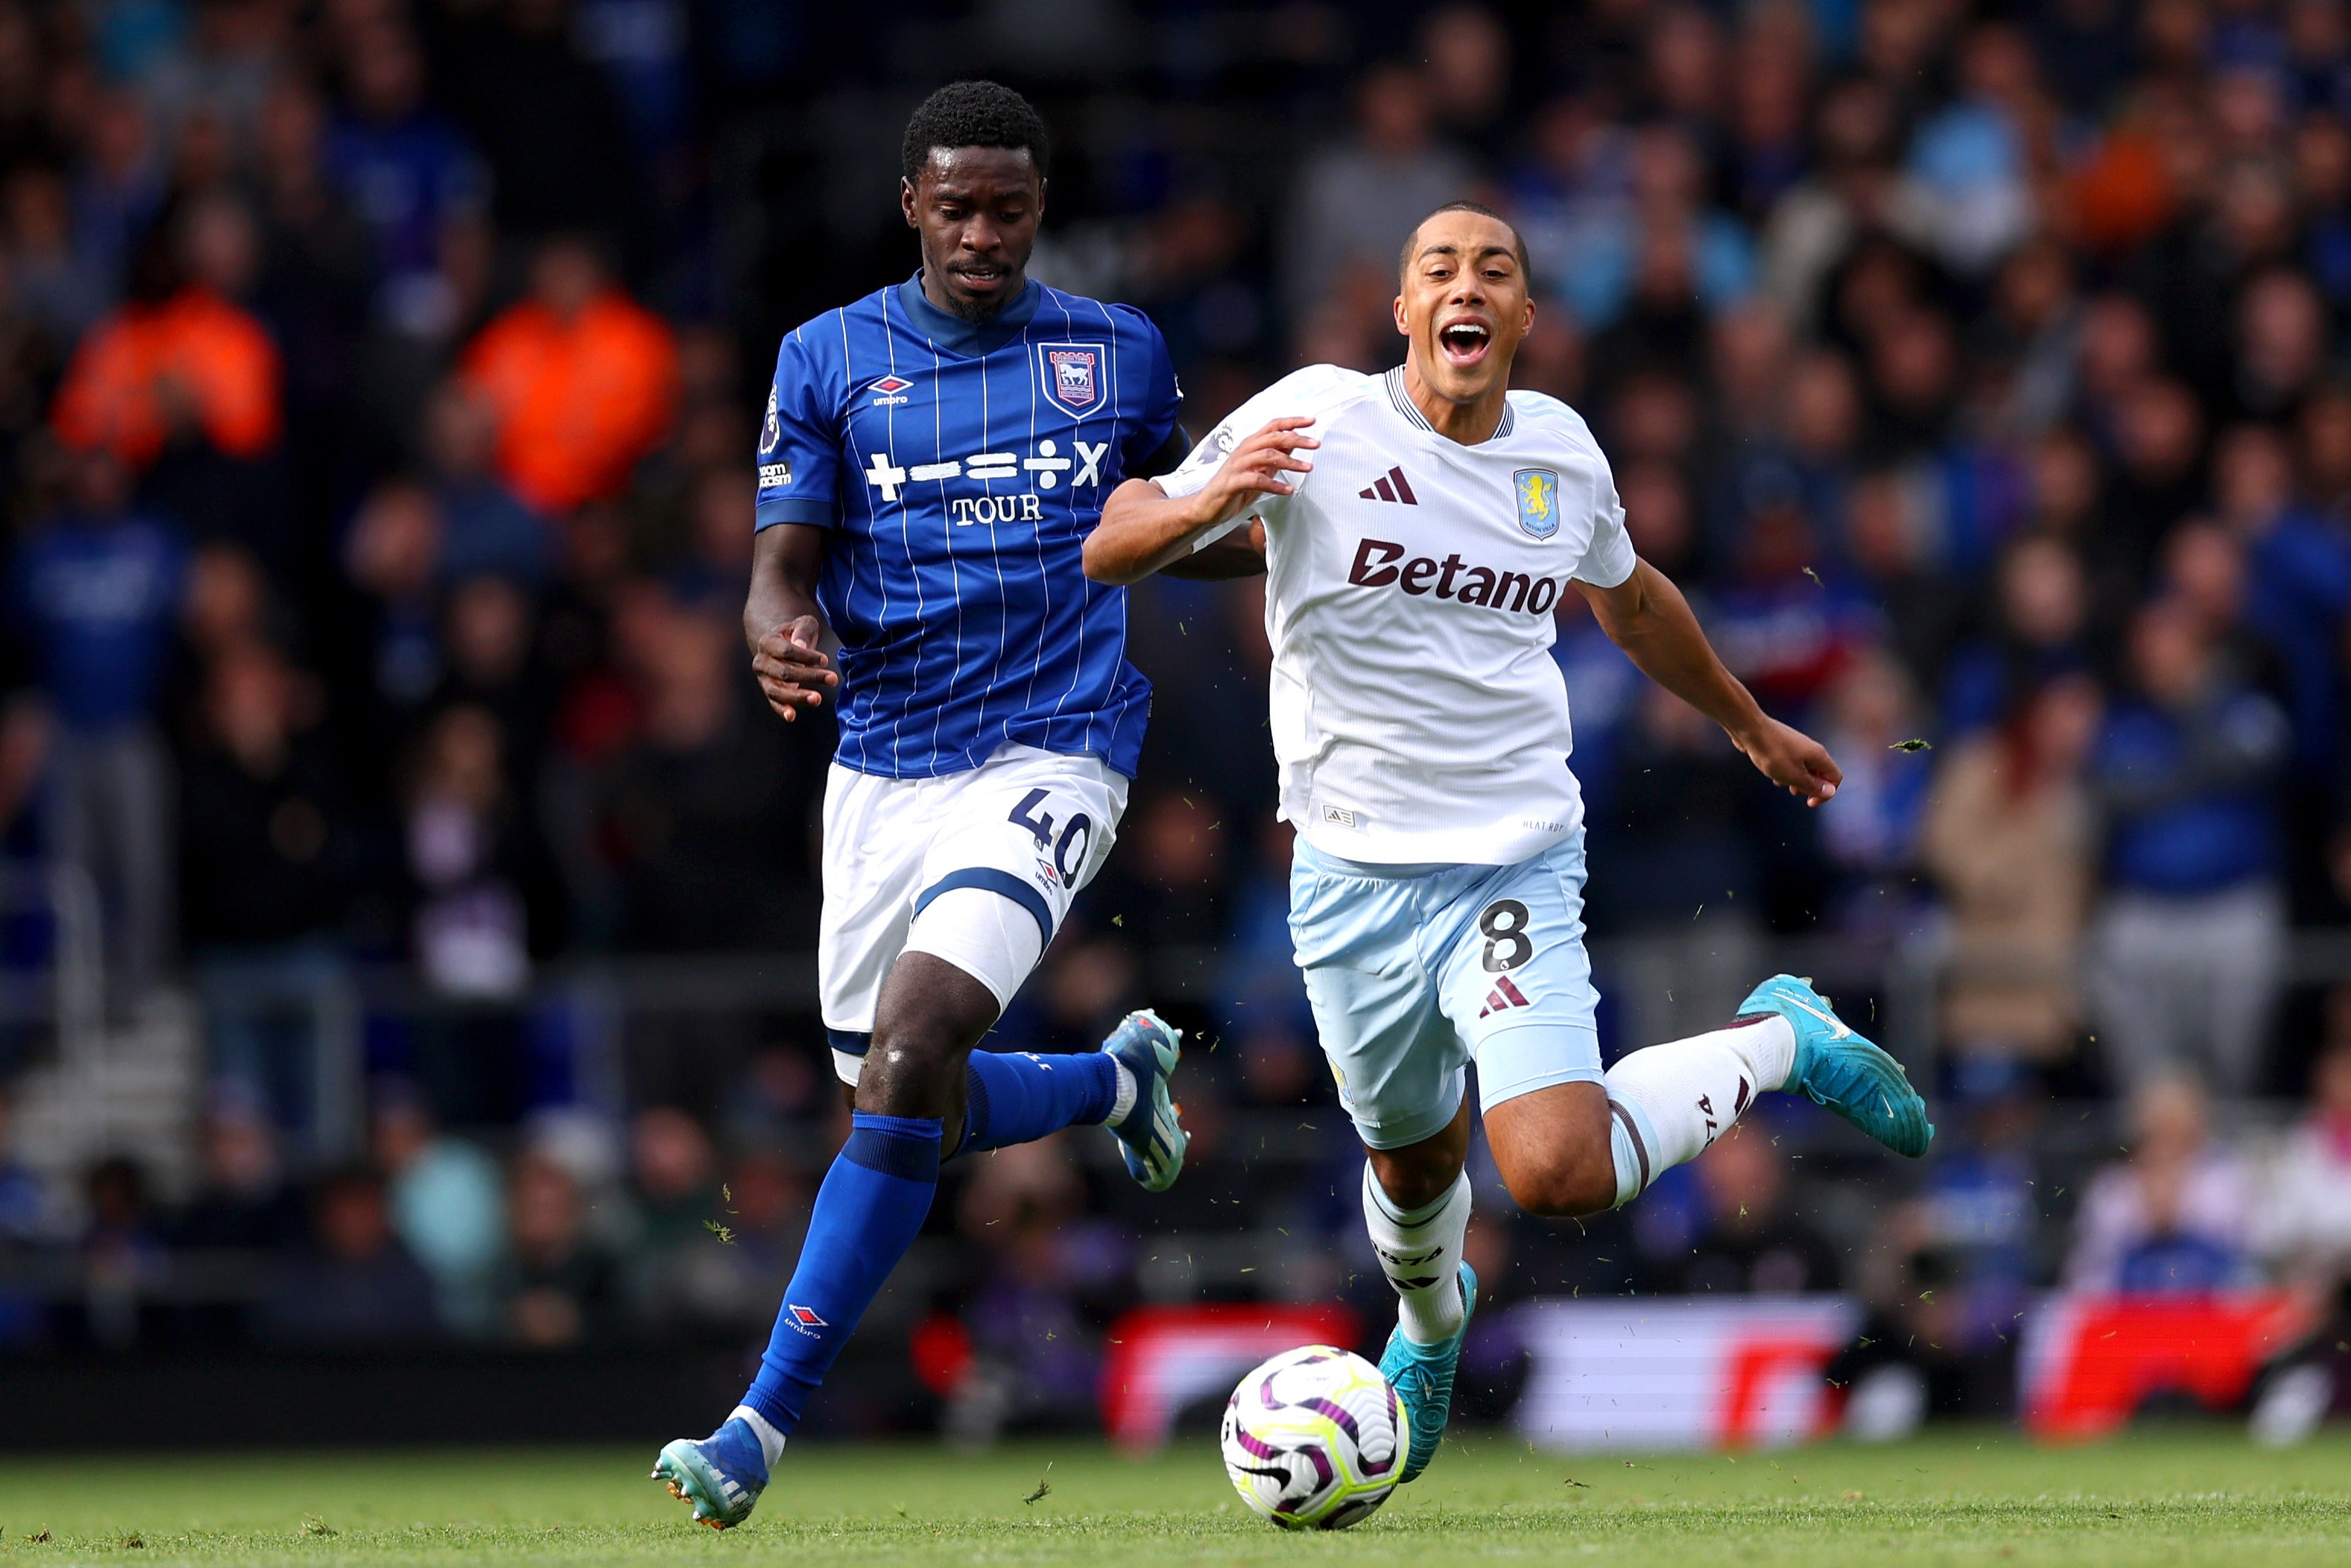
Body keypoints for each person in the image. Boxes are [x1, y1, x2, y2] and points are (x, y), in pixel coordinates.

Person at [1086, 200, 1932, 1484]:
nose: (1465, 286)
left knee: (1551, 1173)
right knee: (1412, 1160)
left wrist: (1751, 727)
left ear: (1525, 318)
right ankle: (1428, 1333)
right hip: (1347, 872)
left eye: (1494, 271)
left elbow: (1633, 600)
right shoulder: (1313, 413)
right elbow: (1114, 539)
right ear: (1404, 310)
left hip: (1512, 857)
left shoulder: (1561, 455)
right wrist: (1223, 496)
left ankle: (1782, 1038)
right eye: (1439, 268)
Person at [650, 82, 1260, 1528]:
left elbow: (1159, 528)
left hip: (1055, 748)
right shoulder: (826, 358)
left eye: (1009, 207)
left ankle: (754, 1429)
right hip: (882, 765)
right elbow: (780, 560)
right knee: (890, 1085)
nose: (983, 233)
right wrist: (765, 625)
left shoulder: (1115, 351)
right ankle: (1116, 1081)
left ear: (1038, 211)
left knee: (918, 1040)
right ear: (910, 205)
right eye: (957, 206)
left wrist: (1297, 535)